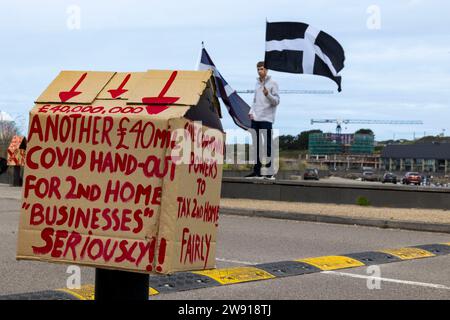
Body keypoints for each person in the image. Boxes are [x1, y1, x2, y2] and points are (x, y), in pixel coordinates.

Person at [245, 61, 280, 180]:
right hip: (255, 118)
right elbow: (255, 100)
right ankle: (257, 171)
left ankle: (270, 172)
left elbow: (276, 101)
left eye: (262, 69)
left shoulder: (273, 83)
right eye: (258, 69)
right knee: (256, 146)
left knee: (268, 145)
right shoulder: (256, 83)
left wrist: (268, 94)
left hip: (267, 118)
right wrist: (251, 111)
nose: (260, 71)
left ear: (267, 70)